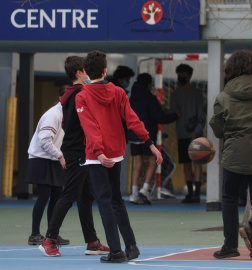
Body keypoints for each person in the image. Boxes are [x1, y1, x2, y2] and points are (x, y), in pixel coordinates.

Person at [75, 50, 163, 263]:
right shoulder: (118, 92)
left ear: (87, 72)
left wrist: (98, 151)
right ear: (105, 70)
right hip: (116, 152)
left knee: (104, 201)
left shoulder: (83, 96)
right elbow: (132, 119)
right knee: (116, 200)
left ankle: (115, 251)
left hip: (98, 156)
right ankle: (131, 245)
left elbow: (90, 127)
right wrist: (150, 143)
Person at [209, 50, 252, 261]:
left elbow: (218, 130)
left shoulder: (224, 96)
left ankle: (230, 246)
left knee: (229, 199)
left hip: (234, 156)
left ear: (230, 70)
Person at [39, 56, 109, 257]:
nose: (88, 75)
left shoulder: (71, 93)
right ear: (79, 73)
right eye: (86, 71)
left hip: (81, 150)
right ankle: (49, 239)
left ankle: (92, 241)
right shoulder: (80, 93)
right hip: (76, 150)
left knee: (85, 196)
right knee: (69, 194)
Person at [25, 86, 69, 247]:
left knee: (57, 197)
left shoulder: (67, 114)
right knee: (44, 195)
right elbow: (44, 140)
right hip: (41, 158)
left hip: (53, 159)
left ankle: (52, 234)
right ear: (60, 97)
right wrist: (60, 155)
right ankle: (34, 234)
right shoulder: (53, 114)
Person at [128, 73, 179, 205]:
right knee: (153, 161)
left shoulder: (131, 98)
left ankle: (133, 194)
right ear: (149, 84)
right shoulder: (150, 98)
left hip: (133, 135)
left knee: (137, 164)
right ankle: (144, 190)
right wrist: (175, 116)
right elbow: (158, 117)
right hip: (147, 135)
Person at [169, 64, 205, 203]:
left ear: (189, 76)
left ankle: (197, 192)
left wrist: (196, 131)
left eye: (183, 75)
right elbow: (172, 111)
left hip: (196, 133)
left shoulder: (197, 93)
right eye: (179, 75)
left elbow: (201, 114)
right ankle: (190, 192)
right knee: (185, 163)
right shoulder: (175, 94)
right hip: (182, 133)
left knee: (197, 162)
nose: (181, 77)